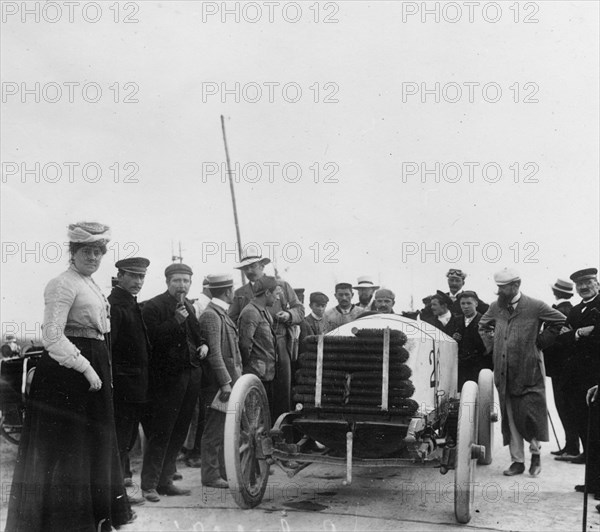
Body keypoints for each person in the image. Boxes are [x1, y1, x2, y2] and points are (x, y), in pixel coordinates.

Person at [5, 222, 134, 531]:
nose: (93, 257)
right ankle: (68, 523)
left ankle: (96, 517)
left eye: (98, 252)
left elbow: (100, 333)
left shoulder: (89, 283)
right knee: (71, 449)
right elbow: (52, 336)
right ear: (73, 253)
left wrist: (101, 369)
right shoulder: (62, 284)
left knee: (94, 445)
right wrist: (87, 368)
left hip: (91, 368)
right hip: (67, 377)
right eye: (86, 251)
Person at [479, 267, 565, 478]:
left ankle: (535, 452)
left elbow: (559, 320)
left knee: (530, 415)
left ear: (516, 285)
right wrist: (494, 347)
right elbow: (483, 325)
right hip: (504, 372)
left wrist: (541, 342)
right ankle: (517, 462)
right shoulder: (496, 307)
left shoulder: (536, 306)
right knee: (509, 418)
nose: (499, 291)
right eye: (498, 287)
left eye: (504, 287)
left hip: (530, 370)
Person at [140, 263, 208, 502]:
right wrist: (175, 322)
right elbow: (149, 341)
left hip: (190, 375)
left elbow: (196, 334)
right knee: (162, 431)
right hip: (167, 379)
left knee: (180, 430)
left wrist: (203, 345)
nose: (182, 285)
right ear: (167, 282)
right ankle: (149, 485)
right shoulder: (154, 306)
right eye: (177, 280)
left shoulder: (189, 305)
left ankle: (165, 481)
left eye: (186, 281)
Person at [229, 254, 304, 416]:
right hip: (256, 347)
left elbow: (300, 309)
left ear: (262, 266)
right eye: (246, 268)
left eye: (253, 266)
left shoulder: (282, 286)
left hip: (281, 342)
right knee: (258, 389)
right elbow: (232, 319)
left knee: (283, 389)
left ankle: (282, 430)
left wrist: (289, 315)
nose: (249, 271)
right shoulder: (240, 293)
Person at [108, 257, 151, 505]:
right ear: (120, 276)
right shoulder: (116, 306)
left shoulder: (129, 303)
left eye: (142, 277)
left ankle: (122, 484)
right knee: (121, 439)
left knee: (127, 439)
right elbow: (110, 351)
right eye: (133, 276)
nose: (138, 282)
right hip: (124, 388)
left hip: (135, 386)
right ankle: (117, 492)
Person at [555, 268, 600, 495]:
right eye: (580, 284)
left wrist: (578, 335)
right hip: (577, 380)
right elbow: (562, 340)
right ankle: (592, 483)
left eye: (588, 282)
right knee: (586, 431)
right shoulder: (574, 310)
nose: (583, 287)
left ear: (597, 282)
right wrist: (579, 334)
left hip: (596, 378)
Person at [198, 273, 243, 489]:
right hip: (218, 385)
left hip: (227, 383)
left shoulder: (220, 313)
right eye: (232, 289)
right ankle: (210, 475)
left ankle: (223, 472)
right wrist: (226, 382)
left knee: (224, 430)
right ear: (227, 291)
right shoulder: (211, 315)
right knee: (214, 430)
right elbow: (214, 353)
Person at [542, 278, 578, 460]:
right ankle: (570, 446)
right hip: (562, 367)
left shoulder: (560, 310)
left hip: (560, 367)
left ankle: (571, 448)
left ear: (556, 292)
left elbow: (560, 341)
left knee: (565, 406)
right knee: (565, 407)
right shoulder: (565, 308)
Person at [238, 276, 280, 419]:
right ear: (267, 293)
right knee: (255, 418)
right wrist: (250, 368)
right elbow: (245, 345)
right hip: (257, 375)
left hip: (266, 374)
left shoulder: (264, 311)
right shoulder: (251, 312)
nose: (278, 298)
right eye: (276, 294)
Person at [447, 291, 491, 390]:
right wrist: (453, 338)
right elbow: (447, 339)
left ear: (476, 304)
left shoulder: (484, 321)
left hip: (478, 367)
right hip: (460, 368)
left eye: (469, 303)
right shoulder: (455, 321)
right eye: (463, 303)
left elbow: (489, 348)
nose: (465, 306)